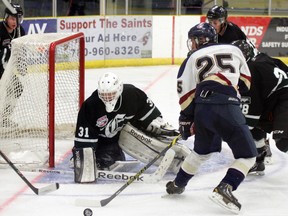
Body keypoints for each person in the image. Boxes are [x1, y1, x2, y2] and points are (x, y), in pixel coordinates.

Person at [165, 22, 257, 214]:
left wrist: (186, 121)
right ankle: (226, 187)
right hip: (227, 106)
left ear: (200, 40)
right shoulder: (233, 49)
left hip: (202, 110)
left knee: (201, 151)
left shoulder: (191, 58)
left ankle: (178, 184)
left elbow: (185, 94)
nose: (192, 44)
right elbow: (246, 82)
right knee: (248, 155)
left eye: (193, 40)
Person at [72, 72, 191, 183]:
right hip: (102, 142)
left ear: (119, 89)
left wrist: (161, 130)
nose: (107, 97)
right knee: (108, 160)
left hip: (124, 131)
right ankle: (104, 155)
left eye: (111, 94)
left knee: (134, 133)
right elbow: (84, 142)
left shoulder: (132, 95)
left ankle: (177, 159)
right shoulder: (90, 106)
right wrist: (83, 160)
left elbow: (152, 119)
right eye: (104, 95)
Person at [232, 40, 288, 175]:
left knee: (283, 142)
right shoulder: (262, 57)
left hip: (284, 99)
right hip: (274, 100)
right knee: (256, 127)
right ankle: (258, 161)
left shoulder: (251, 69)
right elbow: (282, 66)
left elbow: (253, 105)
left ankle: (257, 158)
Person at [0, 3, 25, 127]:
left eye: (18, 18)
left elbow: (22, 51)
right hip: (1, 67)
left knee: (17, 88)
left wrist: (22, 64)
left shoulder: (20, 31)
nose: (15, 22)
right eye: (12, 18)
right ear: (6, 17)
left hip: (6, 69)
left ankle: (4, 118)